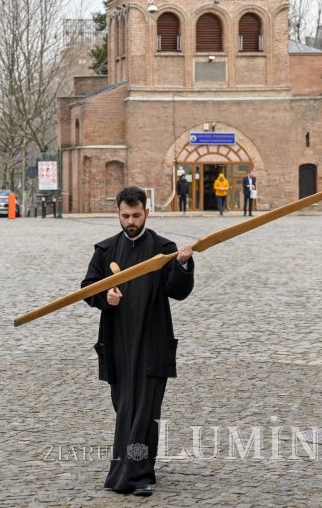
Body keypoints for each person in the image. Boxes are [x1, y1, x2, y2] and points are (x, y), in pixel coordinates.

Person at [81, 186, 194, 497]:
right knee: (125, 407)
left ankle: (139, 474)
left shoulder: (163, 248)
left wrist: (182, 264)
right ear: (118, 214)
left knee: (145, 410)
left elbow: (178, 290)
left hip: (153, 341)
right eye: (125, 216)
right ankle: (135, 467)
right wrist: (105, 296)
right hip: (118, 343)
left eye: (136, 215)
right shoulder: (105, 251)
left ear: (147, 212)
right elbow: (87, 287)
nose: (130, 221)